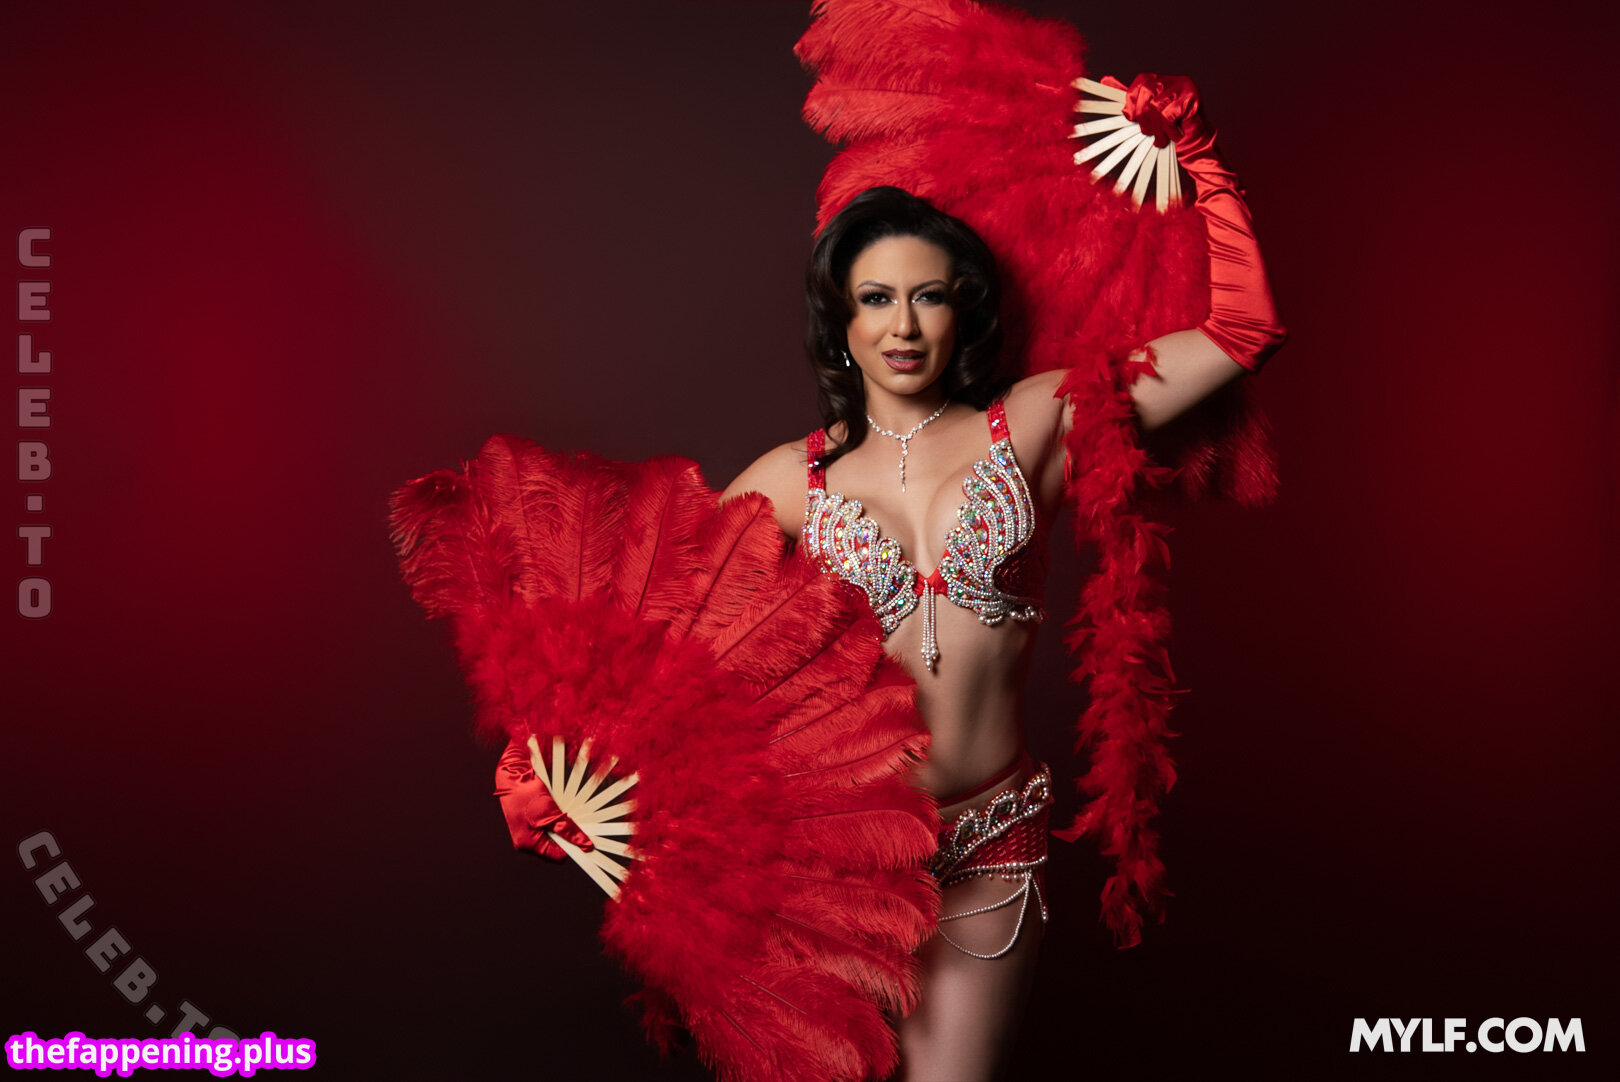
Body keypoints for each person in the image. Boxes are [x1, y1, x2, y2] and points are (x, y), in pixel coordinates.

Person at [720, 73, 1284, 1081]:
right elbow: (650, 641)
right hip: (835, 852)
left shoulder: (1035, 419)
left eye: (929, 296)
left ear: (962, 311)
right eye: (876, 299)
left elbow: (1241, 333)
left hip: (991, 833)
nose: (903, 326)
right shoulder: (786, 482)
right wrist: (542, 776)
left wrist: (1200, 160)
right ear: (840, 322)